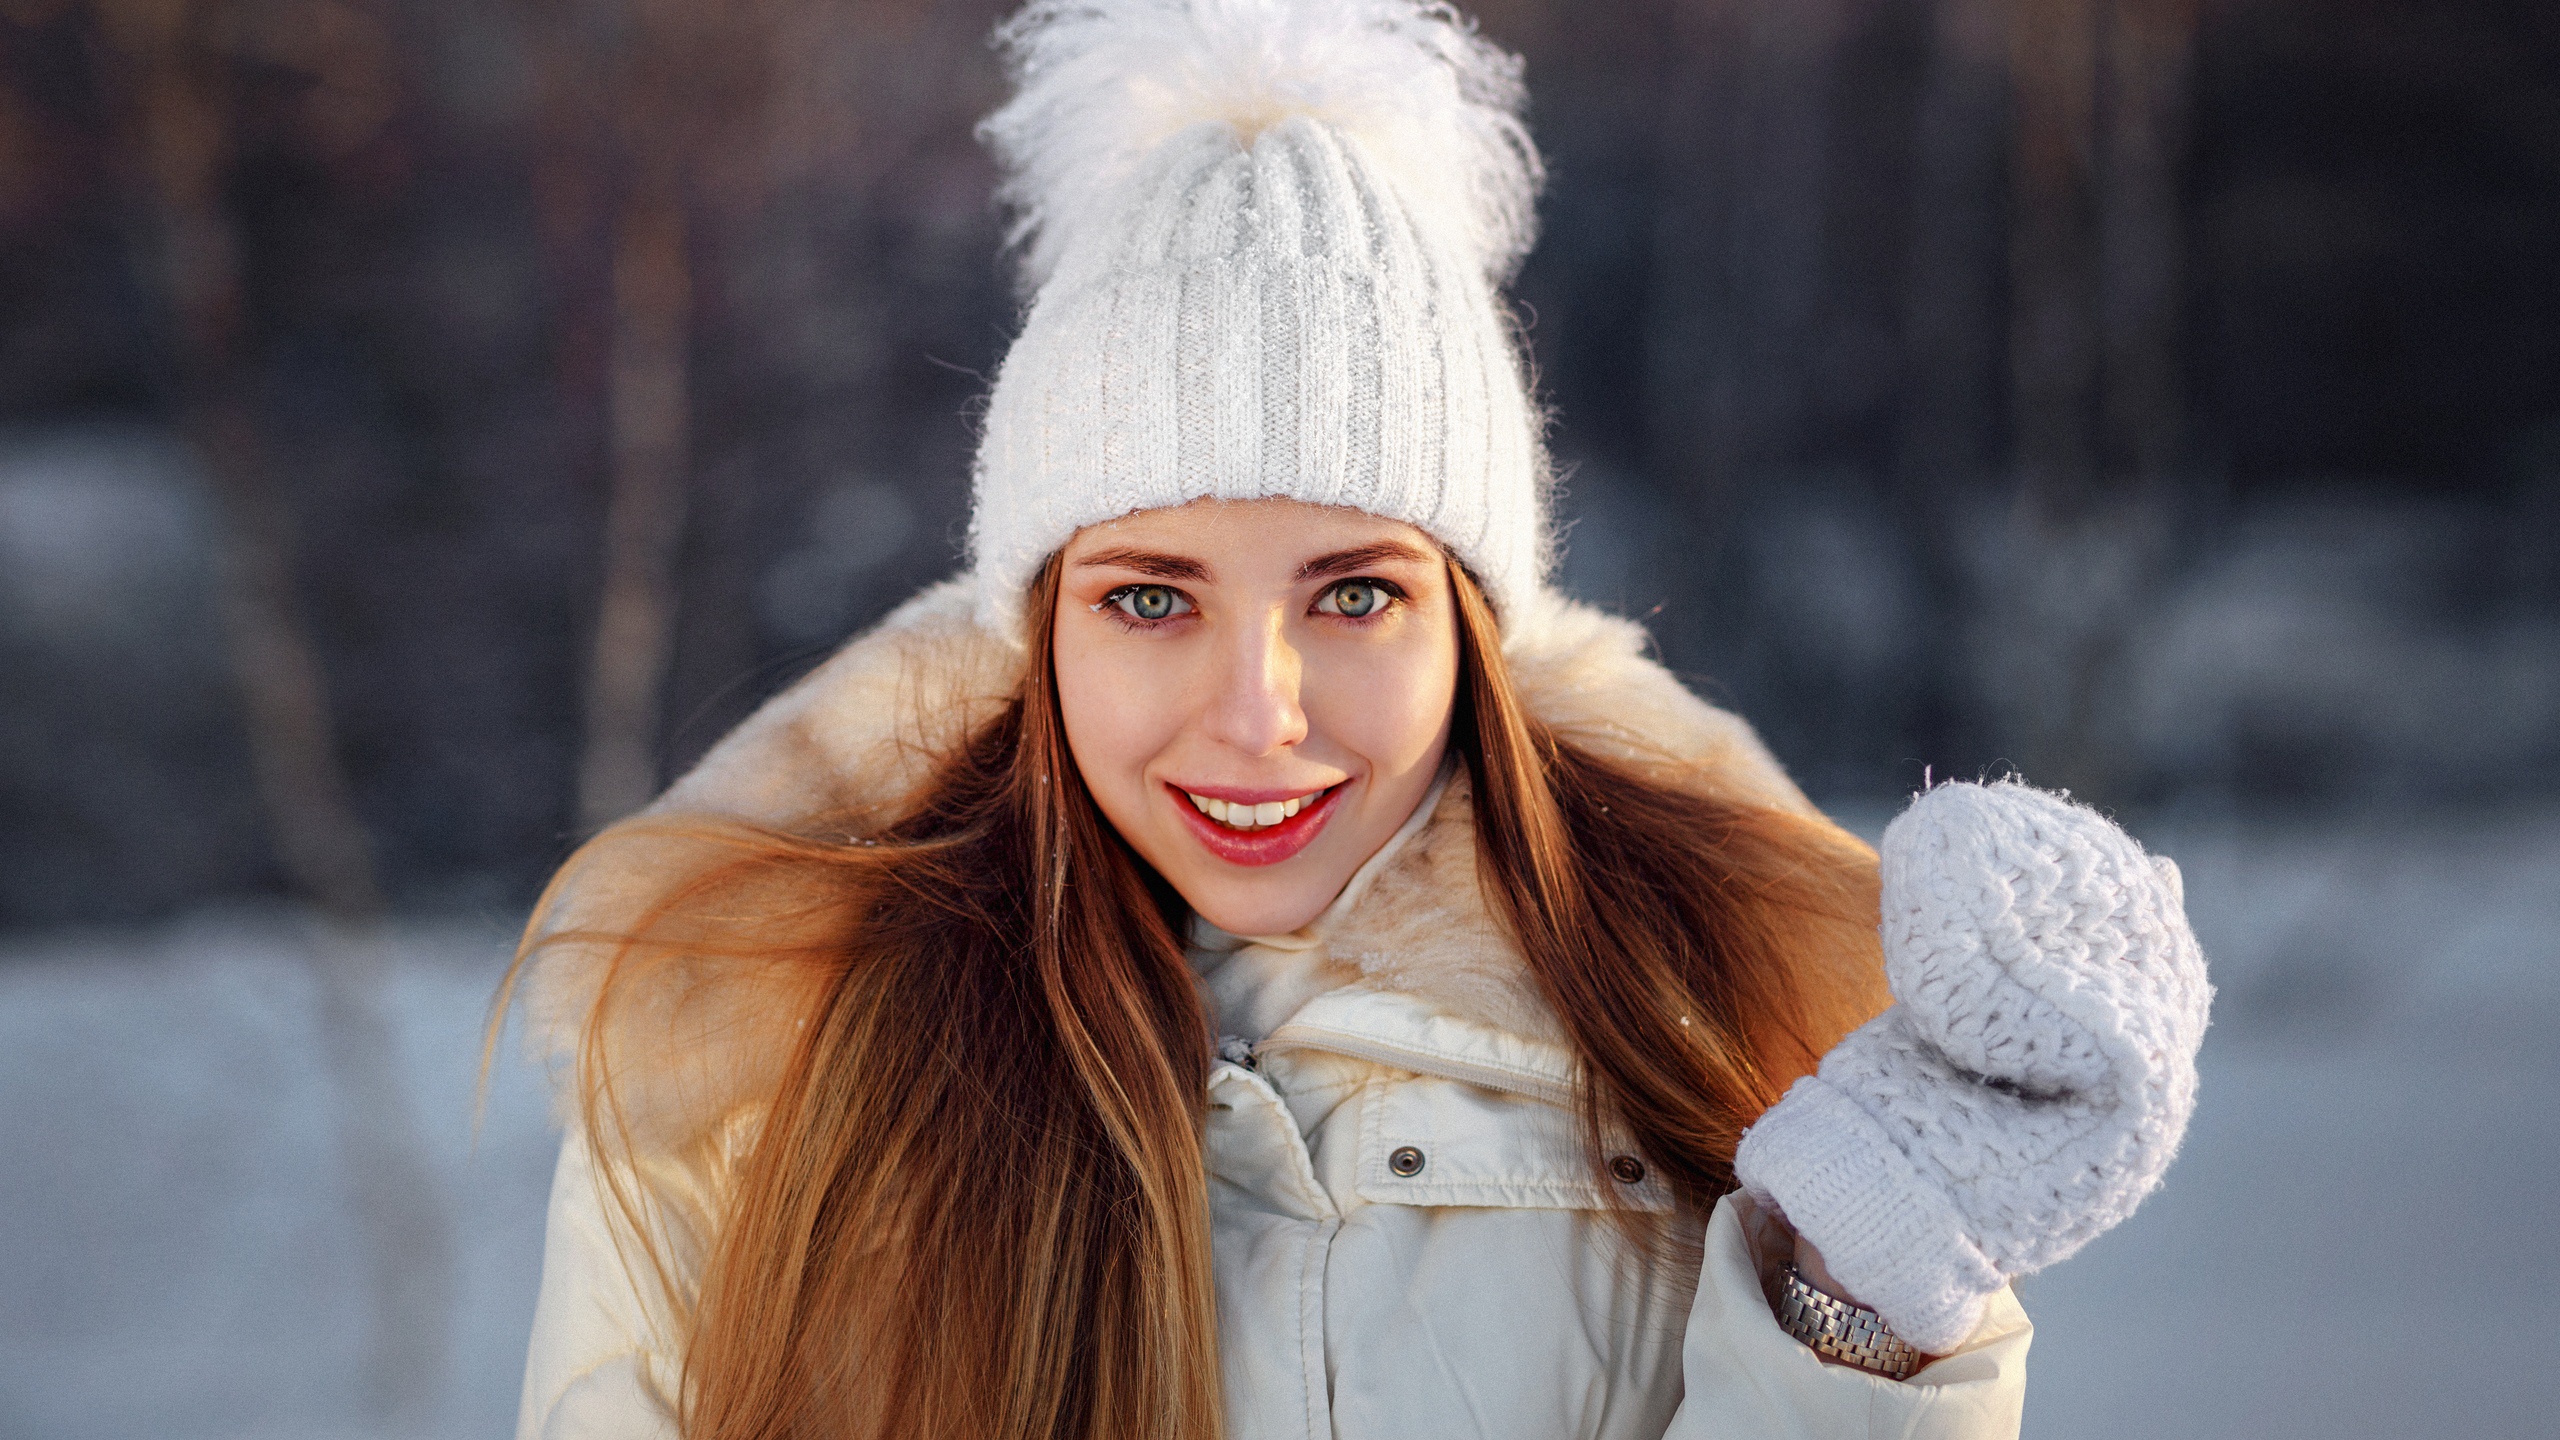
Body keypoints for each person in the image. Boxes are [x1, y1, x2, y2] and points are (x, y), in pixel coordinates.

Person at [502, 3, 2213, 1438]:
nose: (1259, 716)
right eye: (1151, 598)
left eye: (1354, 594)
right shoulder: (756, 1050)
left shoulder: (1708, 1024)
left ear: (1473, 622)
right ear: (1037, 630)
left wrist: (1859, 1288)